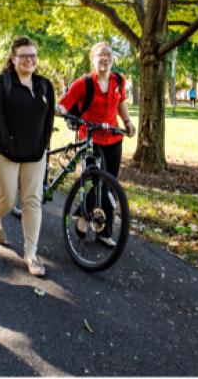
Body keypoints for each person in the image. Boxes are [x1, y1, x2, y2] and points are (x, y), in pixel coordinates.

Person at [0, 36, 55, 277]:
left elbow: (48, 122)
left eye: (33, 55)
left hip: (35, 153)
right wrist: (10, 145)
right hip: (2, 149)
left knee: (32, 200)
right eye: (23, 56)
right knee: (7, 198)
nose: (29, 60)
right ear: (13, 59)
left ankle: (31, 254)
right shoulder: (0, 84)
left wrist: (44, 147)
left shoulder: (45, 85)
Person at [57, 42, 135, 247]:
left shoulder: (119, 80)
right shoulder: (83, 83)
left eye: (109, 54)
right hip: (89, 138)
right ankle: (83, 215)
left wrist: (127, 121)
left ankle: (103, 230)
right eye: (101, 55)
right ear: (93, 58)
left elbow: (120, 103)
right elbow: (64, 105)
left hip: (113, 139)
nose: (106, 58)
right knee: (94, 180)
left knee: (110, 185)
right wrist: (55, 110)